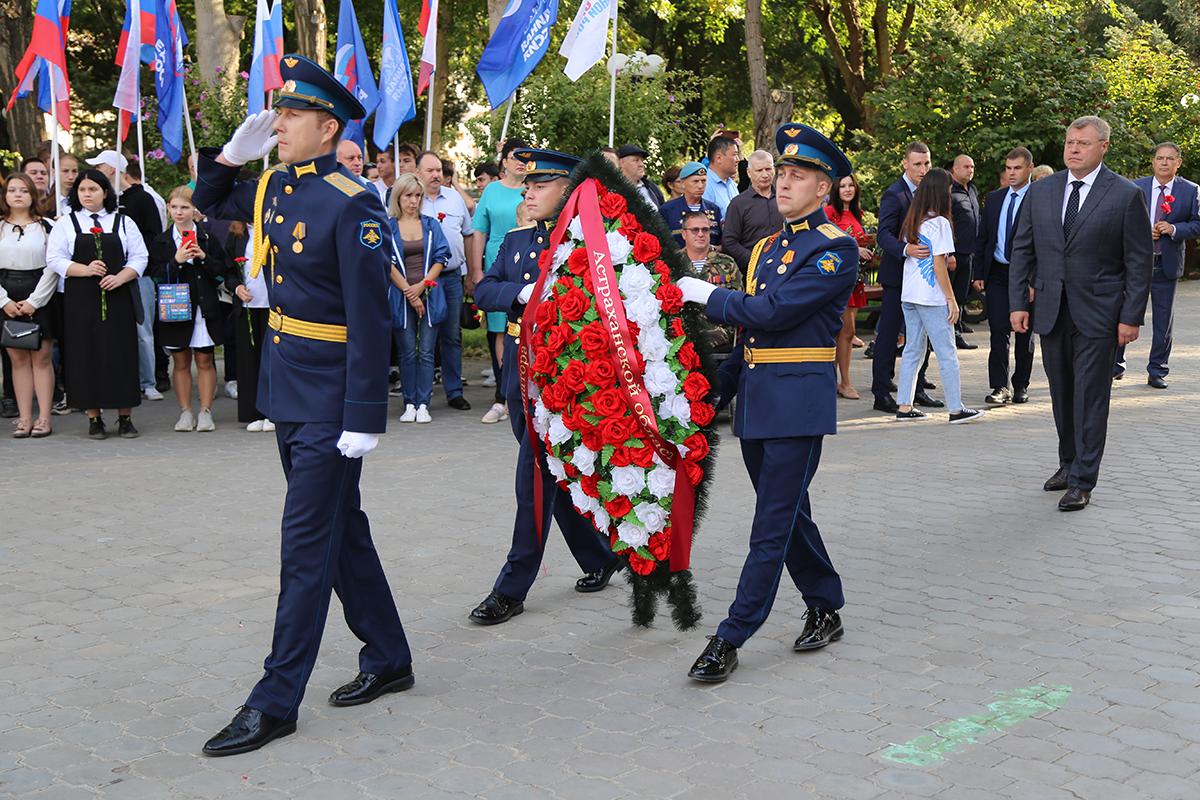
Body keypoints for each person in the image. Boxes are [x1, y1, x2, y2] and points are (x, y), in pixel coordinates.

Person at [194, 55, 414, 756]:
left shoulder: (353, 201)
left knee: (304, 545)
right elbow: (210, 208)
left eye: (290, 116)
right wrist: (228, 158)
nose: (277, 123)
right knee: (339, 528)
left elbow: (372, 316)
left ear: (327, 127)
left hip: (329, 398)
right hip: (287, 381)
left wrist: (362, 416)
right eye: (277, 113)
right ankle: (388, 655)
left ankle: (275, 698)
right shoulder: (276, 184)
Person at [676, 123, 859, 683]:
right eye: (781, 173)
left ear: (823, 189)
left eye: (798, 176)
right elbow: (753, 343)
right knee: (789, 512)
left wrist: (707, 295)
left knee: (770, 524)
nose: (784, 183)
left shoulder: (835, 250)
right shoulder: (766, 247)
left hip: (797, 407)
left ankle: (732, 634)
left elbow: (773, 314)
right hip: (758, 403)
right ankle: (826, 603)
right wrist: (713, 394)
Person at [470, 147, 622, 626]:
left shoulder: (586, 247)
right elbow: (484, 288)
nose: (528, 192)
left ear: (567, 191)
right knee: (552, 474)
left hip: (563, 376)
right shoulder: (516, 241)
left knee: (531, 480)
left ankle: (511, 587)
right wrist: (520, 293)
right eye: (527, 185)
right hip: (520, 370)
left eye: (539, 186)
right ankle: (600, 556)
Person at [1009, 116, 1153, 512]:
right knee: (1061, 393)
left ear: (1103, 147)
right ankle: (1068, 463)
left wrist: (1131, 316)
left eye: (1083, 143)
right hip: (1052, 310)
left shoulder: (1125, 195)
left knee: (1090, 396)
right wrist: (1019, 302)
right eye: (1070, 142)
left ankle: (1083, 479)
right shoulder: (1043, 191)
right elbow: (1023, 250)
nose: (1073, 149)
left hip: (1101, 313)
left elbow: (1138, 262)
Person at [46, 169, 148, 439]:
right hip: (81, 300)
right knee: (85, 354)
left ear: (105, 192)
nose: (87, 194)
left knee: (121, 353)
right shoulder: (66, 223)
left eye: (93, 189)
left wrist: (120, 277)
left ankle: (125, 417)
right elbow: (54, 258)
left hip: (118, 296)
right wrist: (85, 269)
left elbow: (140, 257)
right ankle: (94, 418)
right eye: (82, 190)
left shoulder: (123, 221)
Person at [893, 168, 985, 424]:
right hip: (931, 297)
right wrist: (952, 298)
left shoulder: (914, 219)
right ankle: (956, 408)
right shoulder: (940, 223)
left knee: (913, 350)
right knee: (947, 352)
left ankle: (904, 405)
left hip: (909, 294)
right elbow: (938, 266)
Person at [1114, 142, 1200, 388]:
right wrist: (1141, 233)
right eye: (1160, 158)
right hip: (1134, 263)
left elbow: (1197, 223)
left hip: (1167, 263)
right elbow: (1120, 222)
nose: (1164, 162)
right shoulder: (1135, 187)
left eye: (1169, 159)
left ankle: (1157, 370)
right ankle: (1115, 365)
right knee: (1124, 312)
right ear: (1153, 161)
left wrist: (1174, 229)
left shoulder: (1190, 190)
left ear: (1178, 163)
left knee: (1163, 320)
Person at [148, 186, 232, 432]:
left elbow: (222, 274)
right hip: (175, 306)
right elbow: (154, 276)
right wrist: (176, 261)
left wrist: (204, 257)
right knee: (180, 359)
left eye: (184, 207)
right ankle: (185, 411)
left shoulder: (207, 237)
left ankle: (205, 411)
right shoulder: (162, 241)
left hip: (204, 306)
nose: (179, 212)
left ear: (195, 209)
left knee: (205, 358)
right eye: (174, 207)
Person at [88, 149, 166, 402]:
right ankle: (120, 379)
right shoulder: (103, 202)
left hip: (137, 274)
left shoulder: (141, 199)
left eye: (99, 168)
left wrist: (139, 268)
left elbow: (154, 237)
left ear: (110, 170)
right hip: (103, 275)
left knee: (143, 329)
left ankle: (148, 381)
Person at [872, 142, 937, 413]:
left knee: (922, 335)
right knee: (889, 335)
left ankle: (917, 388)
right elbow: (883, 235)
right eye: (917, 164)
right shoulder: (894, 194)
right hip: (898, 277)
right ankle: (882, 392)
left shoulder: (930, 193)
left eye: (927, 164)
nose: (923, 169)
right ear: (905, 164)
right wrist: (906, 250)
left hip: (924, 277)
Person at [469, 138, 528, 425]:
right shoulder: (491, 191)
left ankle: (523, 393)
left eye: (525, 157)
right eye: (515, 157)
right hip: (496, 264)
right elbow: (478, 231)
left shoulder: (533, 189)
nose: (521, 162)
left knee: (523, 328)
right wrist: (476, 270)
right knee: (499, 331)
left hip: (527, 266)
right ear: (503, 161)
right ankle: (500, 398)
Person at [974, 147, 1035, 405]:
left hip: (1026, 275)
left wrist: (1035, 281)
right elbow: (983, 237)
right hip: (998, 272)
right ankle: (1000, 386)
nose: (1011, 173)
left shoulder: (1039, 197)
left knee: (1024, 332)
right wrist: (979, 272)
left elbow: (1047, 243)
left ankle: (1021, 384)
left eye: (1017, 168)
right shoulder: (996, 198)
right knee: (998, 329)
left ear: (1029, 168)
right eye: (1008, 168)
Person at [388, 172, 451, 423]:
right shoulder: (389, 226)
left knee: (426, 351)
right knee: (406, 353)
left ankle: (423, 403)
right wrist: (409, 291)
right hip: (401, 294)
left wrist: (422, 286)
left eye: (417, 196)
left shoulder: (431, 224)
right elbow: (385, 262)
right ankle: (409, 402)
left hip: (430, 293)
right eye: (408, 196)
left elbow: (441, 258)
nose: (413, 201)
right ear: (398, 197)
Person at [1, 173, 58, 437]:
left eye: (23, 190)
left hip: (40, 291)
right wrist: (4, 301)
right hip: (6, 293)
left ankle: (44, 418)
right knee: (17, 357)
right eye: (12, 190)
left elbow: (54, 265)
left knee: (42, 357)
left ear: (32, 195)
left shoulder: (47, 226)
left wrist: (35, 300)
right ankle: (24, 418)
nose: (17, 195)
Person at [416, 150, 472, 411]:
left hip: (451, 277)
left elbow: (468, 234)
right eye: (430, 170)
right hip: (420, 279)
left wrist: (473, 272)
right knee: (424, 338)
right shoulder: (412, 199)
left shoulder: (454, 199)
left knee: (452, 335)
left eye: (438, 169)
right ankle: (419, 395)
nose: (436, 175)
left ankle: (454, 391)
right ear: (418, 173)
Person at [825, 174, 873, 399]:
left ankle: (840, 380)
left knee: (847, 332)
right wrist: (855, 248)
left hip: (855, 279)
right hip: (837, 279)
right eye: (842, 185)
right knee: (844, 331)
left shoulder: (856, 213)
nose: (847, 189)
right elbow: (828, 242)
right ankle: (842, 382)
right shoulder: (828, 214)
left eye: (850, 185)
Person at [224, 224, 274, 432]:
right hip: (247, 305)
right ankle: (253, 412)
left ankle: (274, 412)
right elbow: (228, 269)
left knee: (271, 359)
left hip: (273, 305)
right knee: (248, 360)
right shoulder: (237, 233)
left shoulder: (274, 227)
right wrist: (236, 287)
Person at [680, 210, 742, 351]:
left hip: (721, 342)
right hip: (682, 343)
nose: (701, 234)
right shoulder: (672, 264)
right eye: (695, 230)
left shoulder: (727, 263)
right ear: (684, 234)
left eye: (705, 230)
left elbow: (736, 302)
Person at [722, 150, 783, 273]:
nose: (765, 175)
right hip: (752, 272)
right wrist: (754, 260)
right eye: (759, 170)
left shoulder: (786, 198)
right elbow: (729, 242)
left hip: (784, 267)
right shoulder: (738, 204)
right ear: (749, 173)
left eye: (768, 169)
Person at [949, 154, 980, 350]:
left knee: (961, 295)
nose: (970, 170)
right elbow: (946, 222)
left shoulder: (973, 190)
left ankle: (956, 330)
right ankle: (951, 333)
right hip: (954, 254)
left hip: (970, 252)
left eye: (972, 167)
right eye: (966, 166)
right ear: (954, 169)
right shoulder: (948, 191)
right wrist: (949, 252)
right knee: (950, 295)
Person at [660, 162, 722, 247]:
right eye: (695, 181)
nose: (700, 186)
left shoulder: (714, 209)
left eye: (703, 181)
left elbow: (721, 243)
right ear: (683, 183)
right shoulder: (667, 210)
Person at [703, 134, 741, 216]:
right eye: (734, 154)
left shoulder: (732, 185)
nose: (738, 159)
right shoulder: (704, 186)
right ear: (719, 158)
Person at [617, 144, 665, 209]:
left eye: (642, 161)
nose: (641, 164)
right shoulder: (614, 188)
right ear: (621, 163)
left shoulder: (652, 188)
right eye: (636, 160)